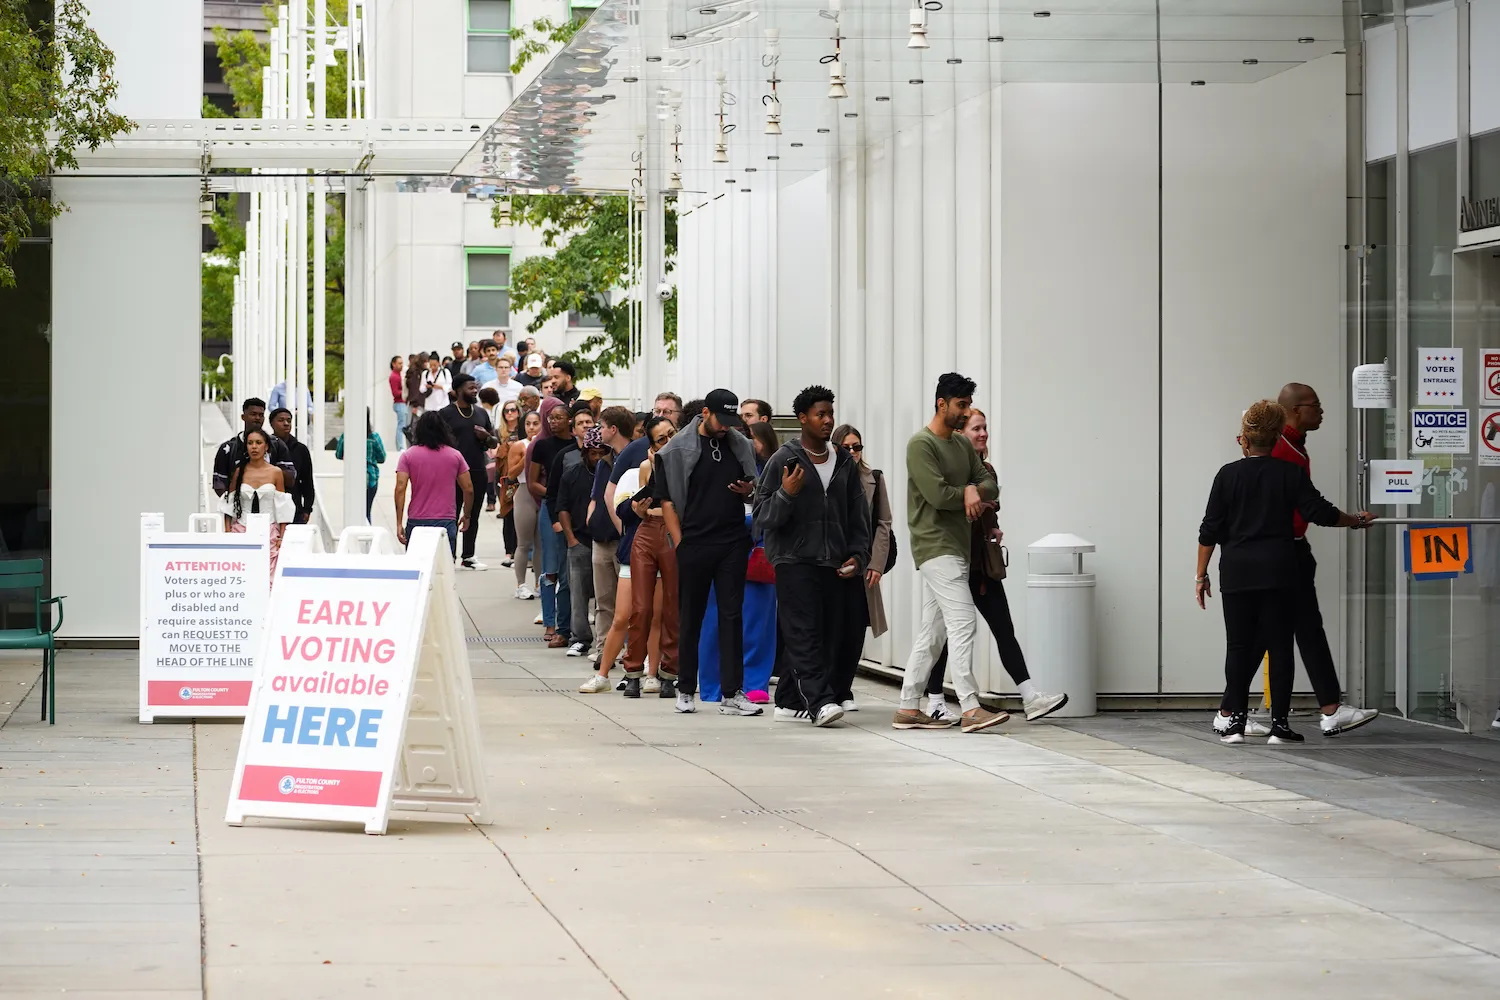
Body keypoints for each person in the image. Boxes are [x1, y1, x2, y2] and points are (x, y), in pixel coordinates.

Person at [1197, 400, 1373, 744]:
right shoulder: (1289, 473)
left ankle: (1234, 723)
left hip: (1236, 571)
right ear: (1277, 438)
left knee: (1238, 646)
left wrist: (1200, 575)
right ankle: (1279, 725)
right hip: (1279, 568)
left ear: (1244, 440)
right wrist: (1355, 520)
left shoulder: (1227, 475)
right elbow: (1320, 512)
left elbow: (1209, 530)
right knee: (1279, 646)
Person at [923, 408, 1070, 724]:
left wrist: (992, 526)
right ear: (961, 434)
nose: (983, 434)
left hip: (981, 567)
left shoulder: (986, 471)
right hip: (951, 563)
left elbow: (990, 510)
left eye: (985, 428)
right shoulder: (950, 472)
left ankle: (1031, 697)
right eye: (976, 428)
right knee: (944, 634)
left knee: (1004, 628)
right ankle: (934, 701)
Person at [895, 373, 1009, 734]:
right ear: (941, 403)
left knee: (933, 632)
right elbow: (937, 494)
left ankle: (908, 706)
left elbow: (990, 481)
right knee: (963, 622)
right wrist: (969, 494)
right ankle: (971, 706)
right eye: (960, 406)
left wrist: (974, 488)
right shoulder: (921, 444)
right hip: (934, 545)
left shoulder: (961, 446)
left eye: (967, 406)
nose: (965, 413)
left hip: (957, 547)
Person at [753, 386, 870, 728]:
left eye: (829, 414)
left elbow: (858, 515)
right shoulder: (783, 460)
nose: (827, 420)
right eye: (820, 414)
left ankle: (789, 700)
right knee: (804, 633)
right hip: (793, 560)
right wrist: (786, 495)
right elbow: (762, 517)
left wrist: (858, 555)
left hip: (833, 562)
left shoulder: (844, 462)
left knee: (828, 634)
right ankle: (820, 701)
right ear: (802, 419)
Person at [654, 389, 762, 717]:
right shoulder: (676, 450)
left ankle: (732, 693)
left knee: (732, 616)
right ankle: (685, 688)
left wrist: (749, 490)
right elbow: (668, 500)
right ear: (705, 413)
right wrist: (681, 542)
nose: (726, 427)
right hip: (694, 543)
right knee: (692, 617)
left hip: (732, 541)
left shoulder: (739, 444)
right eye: (721, 420)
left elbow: (755, 487)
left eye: (732, 421)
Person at [830, 423, 891, 714]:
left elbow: (883, 524)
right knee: (831, 629)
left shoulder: (874, 479)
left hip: (862, 566)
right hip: (831, 564)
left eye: (857, 447)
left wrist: (876, 563)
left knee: (855, 631)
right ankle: (829, 689)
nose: (853, 452)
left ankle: (844, 689)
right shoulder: (825, 478)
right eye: (847, 447)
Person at [618, 416, 680, 697]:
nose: (669, 441)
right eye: (661, 439)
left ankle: (669, 673)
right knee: (640, 607)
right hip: (646, 534)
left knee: (671, 606)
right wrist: (643, 510)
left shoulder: (687, 462)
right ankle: (633, 672)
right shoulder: (646, 466)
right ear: (652, 445)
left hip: (672, 532)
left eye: (672, 434)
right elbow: (640, 509)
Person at [587, 407, 637, 663]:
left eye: (602, 426)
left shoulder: (635, 459)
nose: (599, 430)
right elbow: (597, 496)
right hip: (601, 540)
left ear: (614, 429)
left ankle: (632, 651)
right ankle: (604, 649)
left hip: (625, 540)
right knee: (603, 600)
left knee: (629, 603)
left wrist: (625, 532)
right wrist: (591, 519)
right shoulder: (605, 462)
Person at [546, 403, 595, 652]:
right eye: (581, 423)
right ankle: (569, 632)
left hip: (601, 535)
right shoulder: (565, 458)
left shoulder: (608, 460)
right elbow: (554, 494)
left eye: (589, 422)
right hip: (573, 532)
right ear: (573, 428)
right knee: (568, 583)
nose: (586, 427)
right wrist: (561, 527)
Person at [217, 427, 294, 581]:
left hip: (270, 531)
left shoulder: (276, 472)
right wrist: (228, 533)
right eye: (250, 443)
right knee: (242, 575)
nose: (254, 447)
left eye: (258, 443)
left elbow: (282, 507)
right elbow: (229, 505)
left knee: (269, 577)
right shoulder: (239, 471)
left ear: (266, 446)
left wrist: (281, 537)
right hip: (241, 529)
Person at [558, 425, 609, 658]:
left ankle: (604, 639)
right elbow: (562, 508)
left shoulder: (611, 474)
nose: (597, 457)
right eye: (593, 453)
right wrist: (571, 539)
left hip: (605, 541)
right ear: (585, 452)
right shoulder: (572, 474)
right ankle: (580, 638)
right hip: (579, 540)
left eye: (601, 452)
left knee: (605, 596)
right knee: (577, 593)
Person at [438, 374, 497, 570]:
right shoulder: (445, 414)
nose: (475, 391)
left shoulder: (481, 413)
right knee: (451, 515)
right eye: (470, 388)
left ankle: (468, 556)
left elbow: (494, 442)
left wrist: (486, 435)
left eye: (475, 387)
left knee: (472, 514)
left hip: (477, 470)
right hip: (452, 472)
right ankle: (449, 556)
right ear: (458, 390)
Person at [395, 411, 473, 559]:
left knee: (417, 568)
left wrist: (399, 523)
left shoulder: (408, 456)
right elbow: (468, 489)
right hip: (446, 519)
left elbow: (400, 489)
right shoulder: (455, 455)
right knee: (444, 570)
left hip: (417, 519)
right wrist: (467, 515)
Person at [526, 397, 572, 641]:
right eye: (550, 418)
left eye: (558, 418)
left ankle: (565, 624)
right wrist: (555, 494)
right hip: (549, 507)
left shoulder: (577, 445)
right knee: (550, 568)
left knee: (568, 570)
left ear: (569, 420)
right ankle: (549, 622)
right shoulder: (541, 446)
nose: (553, 422)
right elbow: (533, 482)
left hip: (571, 510)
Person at [213, 397, 294, 496]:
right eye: (253, 414)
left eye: (261, 415)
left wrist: (266, 470)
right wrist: (232, 504)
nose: (257, 418)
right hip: (238, 507)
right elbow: (219, 483)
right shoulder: (228, 448)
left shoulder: (277, 444)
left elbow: (291, 480)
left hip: (270, 506)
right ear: (243, 417)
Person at [509, 408, 544, 600]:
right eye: (528, 424)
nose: (531, 428)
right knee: (523, 543)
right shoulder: (519, 446)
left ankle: (539, 583)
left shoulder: (545, 444)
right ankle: (520, 584)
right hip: (524, 492)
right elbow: (511, 474)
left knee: (541, 544)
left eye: (535, 423)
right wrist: (527, 454)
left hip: (541, 493)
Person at [334, 409, 387, 523]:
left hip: (353, 479)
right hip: (371, 478)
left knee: (353, 512)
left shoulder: (346, 436)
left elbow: (338, 454)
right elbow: (382, 458)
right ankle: (367, 538)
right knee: (366, 512)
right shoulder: (374, 437)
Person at [267, 407, 315, 525]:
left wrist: (307, 509)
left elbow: (307, 481)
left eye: (289, 420)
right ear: (272, 423)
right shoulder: (264, 447)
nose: (286, 423)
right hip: (268, 509)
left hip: (295, 510)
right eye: (281, 420)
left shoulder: (301, 449)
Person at [389, 356, 409, 451]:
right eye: (399, 363)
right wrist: (405, 391)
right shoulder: (394, 376)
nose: (401, 365)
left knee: (402, 424)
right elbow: (395, 393)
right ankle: (400, 446)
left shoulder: (398, 375)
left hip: (401, 402)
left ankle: (400, 445)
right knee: (401, 425)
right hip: (399, 402)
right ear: (394, 364)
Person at [405, 353, 427, 422]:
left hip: (415, 403)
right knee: (417, 425)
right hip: (417, 404)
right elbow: (415, 390)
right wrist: (415, 404)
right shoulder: (417, 374)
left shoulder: (414, 372)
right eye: (425, 361)